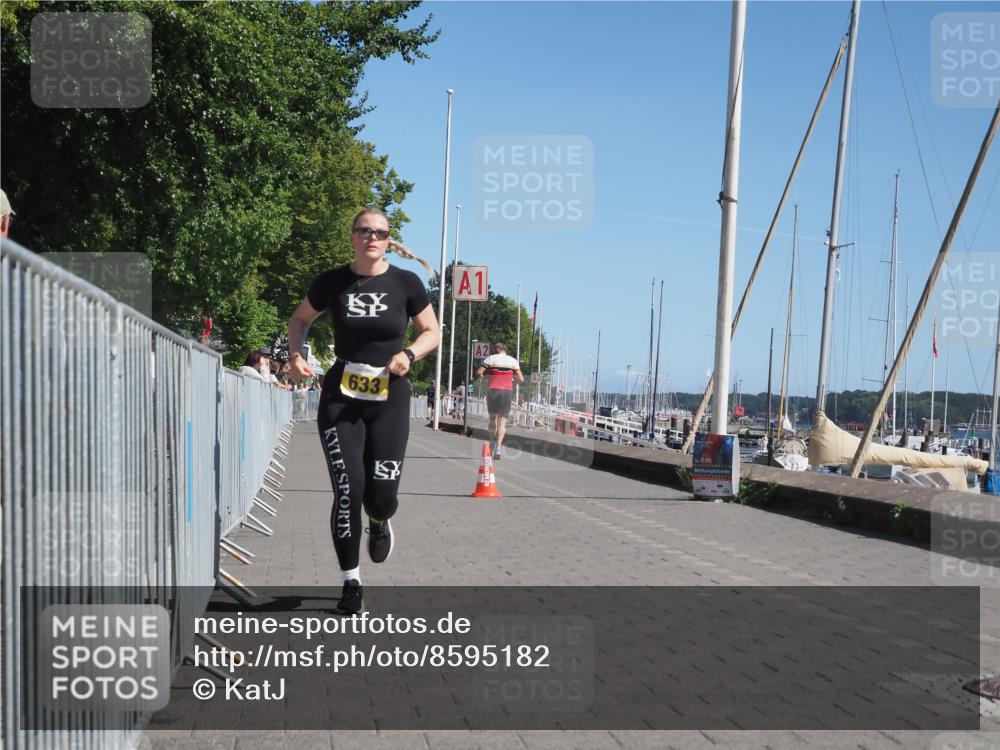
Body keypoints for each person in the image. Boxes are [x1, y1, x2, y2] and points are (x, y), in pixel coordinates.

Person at [285, 208, 439, 615]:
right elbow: (300, 321)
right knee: (347, 490)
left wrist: (409, 353)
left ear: (389, 240)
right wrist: (297, 355)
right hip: (342, 398)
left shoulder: (406, 283)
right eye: (364, 231)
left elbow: (432, 332)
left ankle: (380, 519)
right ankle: (351, 582)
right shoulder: (332, 282)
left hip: (391, 397)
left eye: (380, 232)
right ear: (352, 237)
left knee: (382, 496)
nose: (372, 237)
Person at [476, 342, 524, 459]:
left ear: (497, 349)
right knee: (502, 422)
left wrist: (484, 379)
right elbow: (521, 379)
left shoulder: (490, 359)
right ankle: (498, 448)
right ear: (505, 350)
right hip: (506, 392)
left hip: (493, 390)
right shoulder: (513, 361)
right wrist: (513, 382)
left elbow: (479, 372)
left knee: (492, 419)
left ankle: (492, 441)